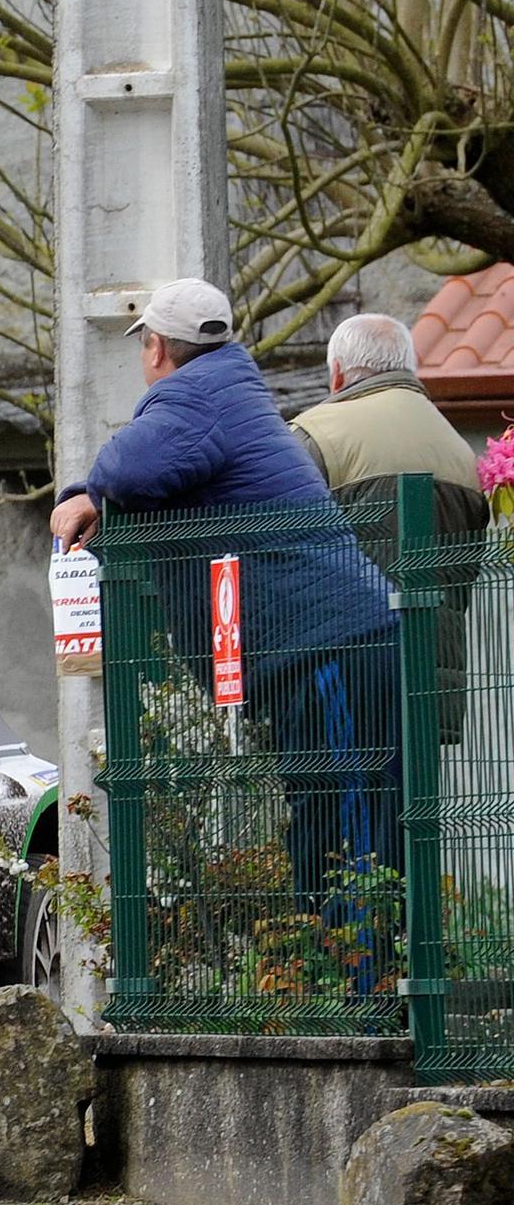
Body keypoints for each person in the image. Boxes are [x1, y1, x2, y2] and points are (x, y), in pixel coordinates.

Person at [49, 279, 400, 950]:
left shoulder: (192, 398)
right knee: (342, 823)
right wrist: (95, 494)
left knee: (346, 830)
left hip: (328, 647)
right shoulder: (231, 390)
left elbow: (130, 465)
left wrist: (88, 490)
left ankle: (361, 1007)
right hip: (341, 638)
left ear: (155, 347)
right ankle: (350, 989)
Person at [290, 313, 490, 744]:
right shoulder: (458, 449)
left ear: (338, 374)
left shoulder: (315, 437)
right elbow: (465, 569)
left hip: (343, 675)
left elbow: (285, 553)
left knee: (344, 808)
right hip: (433, 676)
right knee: (414, 806)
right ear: (408, 367)